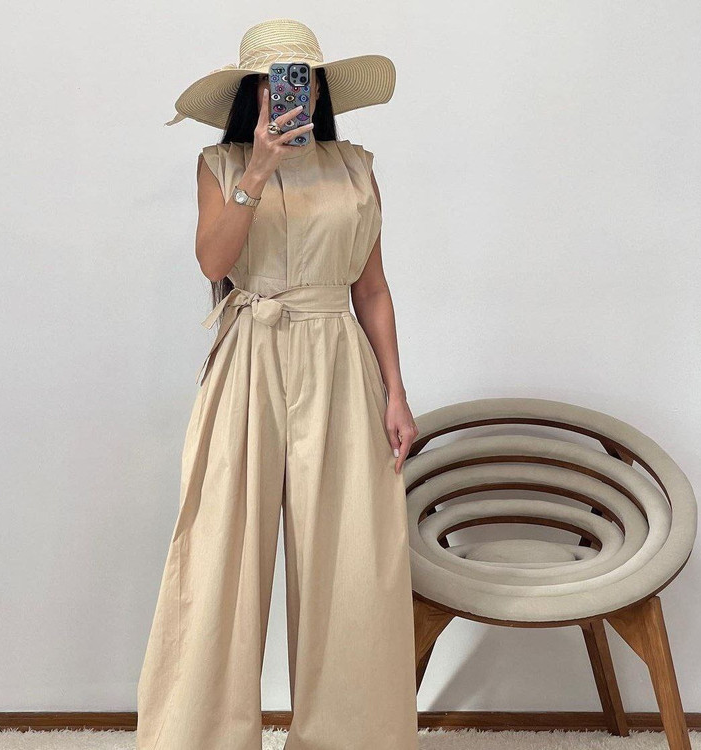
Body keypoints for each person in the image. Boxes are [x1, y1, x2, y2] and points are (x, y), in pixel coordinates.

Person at [137, 17, 420, 750]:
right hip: (249, 358)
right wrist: (257, 172)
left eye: (304, 78)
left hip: (339, 360)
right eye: (275, 80)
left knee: (351, 561)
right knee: (218, 554)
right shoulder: (221, 163)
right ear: (253, 92)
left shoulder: (355, 167)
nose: (292, 91)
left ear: (319, 89)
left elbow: (373, 289)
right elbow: (213, 264)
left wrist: (396, 392)